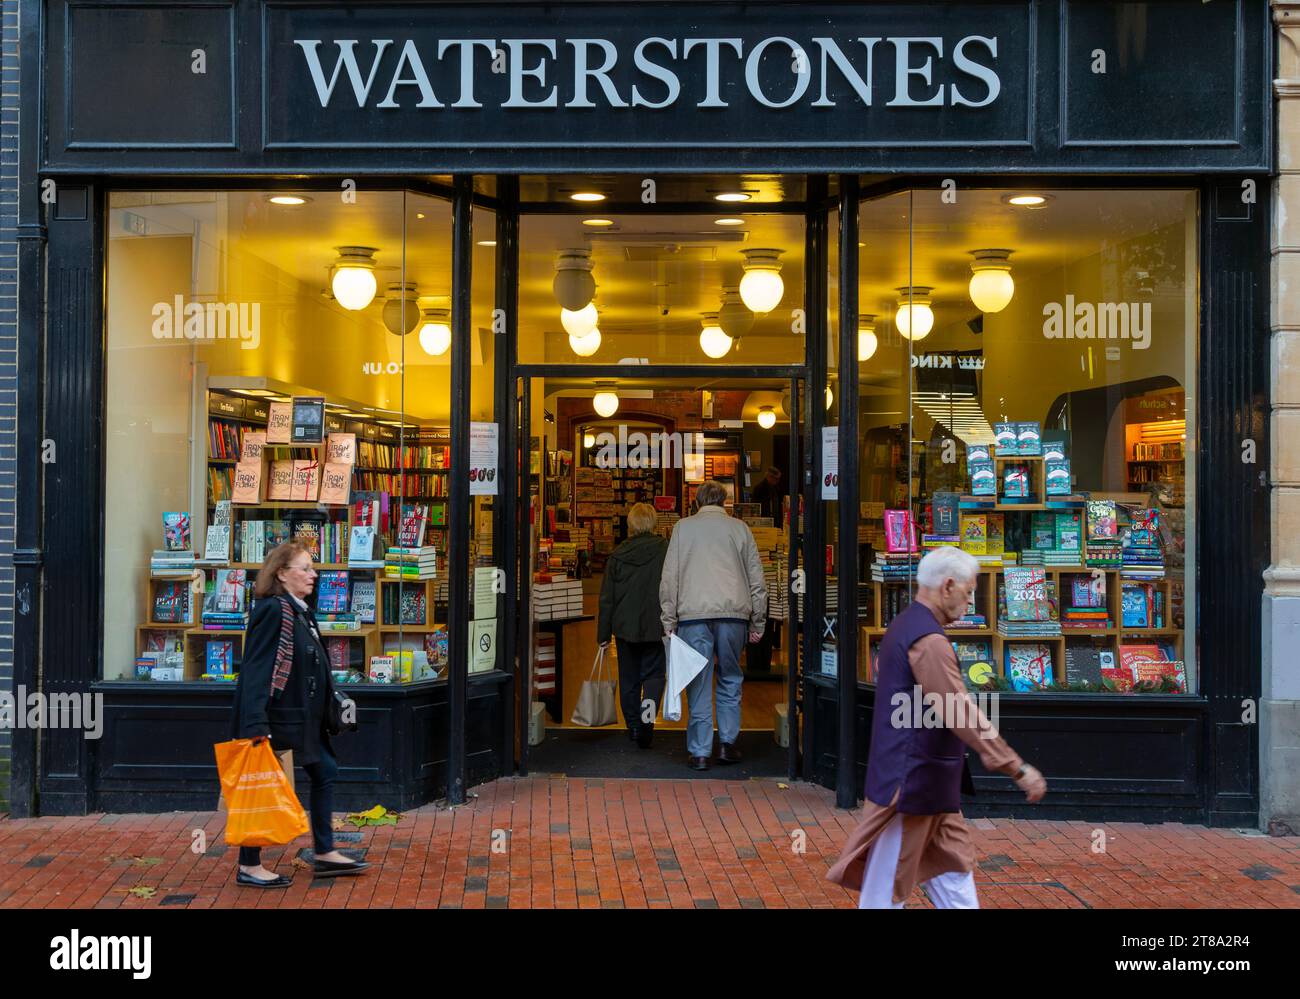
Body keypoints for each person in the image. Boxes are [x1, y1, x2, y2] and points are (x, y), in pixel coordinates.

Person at [825, 547, 1046, 908]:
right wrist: (1016, 767)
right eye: (969, 590)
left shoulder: (907, 626)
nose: (970, 600)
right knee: (886, 890)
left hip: (926, 781)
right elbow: (959, 710)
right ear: (947, 586)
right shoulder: (928, 641)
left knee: (953, 872)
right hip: (913, 785)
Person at [228, 542, 368, 888]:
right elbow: (257, 670)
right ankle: (249, 865)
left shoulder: (298, 609)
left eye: (311, 568)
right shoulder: (273, 611)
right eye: (304, 568)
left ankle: (324, 851)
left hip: (303, 719)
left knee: (325, 771)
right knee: (261, 787)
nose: (313, 574)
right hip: (278, 720)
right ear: (281, 574)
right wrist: (256, 725)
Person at [660, 479, 768, 771]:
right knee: (730, 676)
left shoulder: (683, 528)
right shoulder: (740, 529)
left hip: (692, 616)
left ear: (696, 502)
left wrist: (668, 620)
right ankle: (728, 744)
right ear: (724, 502)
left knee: (698, 680)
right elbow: (757, 580)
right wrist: (758, 621)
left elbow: (670, 579)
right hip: (734, 615)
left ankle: (700, 752)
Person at [597, 503, 669, 748]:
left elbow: (607, 597)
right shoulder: (665, 551)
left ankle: (634, 726)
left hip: (625, 628)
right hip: (656, 625)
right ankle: (648, 722)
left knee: (629, 679)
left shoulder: (618, 555)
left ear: (630, 524)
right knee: (654, 677)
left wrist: (603, 634)